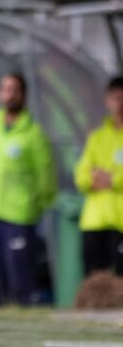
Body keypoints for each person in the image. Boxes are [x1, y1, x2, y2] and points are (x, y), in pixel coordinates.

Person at [0, 73, 57, 305]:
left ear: (23, 95)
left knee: (20, 280)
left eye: (14, 90)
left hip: (19, 215)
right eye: (5, 89)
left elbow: (46, 177)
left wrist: (34, 205)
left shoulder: (34, 134)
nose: (9, 95)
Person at [74, 76, 123, 276]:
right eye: (116, 98)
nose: (120, 103)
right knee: (94, 282)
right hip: (94, 220)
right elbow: (82, 176)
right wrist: (106, 179)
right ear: (107, 100)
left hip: (120, 220)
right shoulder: (97, 138)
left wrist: (111, 179)